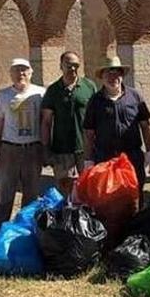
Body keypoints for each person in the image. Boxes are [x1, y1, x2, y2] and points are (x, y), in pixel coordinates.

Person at [83, 55, 150, 205]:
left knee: (135, 196)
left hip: (132, 157)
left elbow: (145, 126)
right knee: (108, 199)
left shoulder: (135, 96)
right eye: (108, 74)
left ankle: (136, 227)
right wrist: (88, 160)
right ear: (102, 77)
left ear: (122, 75)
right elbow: (89, 133)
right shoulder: (95, 101)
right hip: (105, 158)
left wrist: (149, 153)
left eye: (116, 73)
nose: (113, 77)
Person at [0, 58, 47, 232]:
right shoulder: (2, 96)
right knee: (3, 195)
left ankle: (27, 232)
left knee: (32, 195)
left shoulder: (41, 94)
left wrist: (45, 150)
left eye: (24, 70)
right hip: (9, 149)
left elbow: (46, 123)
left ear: (31, 73)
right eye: (16, 70)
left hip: (33, 149)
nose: (20, 74)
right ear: (11, 74)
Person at [40, 51, 97, 196]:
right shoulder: (53, 90)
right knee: (65, 191)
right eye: (68, 65)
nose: (72, 68)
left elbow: (98, 117)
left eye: (75, 65)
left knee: (89, 189)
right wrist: (45, 149)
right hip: (62, 150)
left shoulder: (89, 87)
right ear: (61, 66)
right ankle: (65, 218)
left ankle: (87, 218)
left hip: (86, 149)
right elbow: (46, 122)